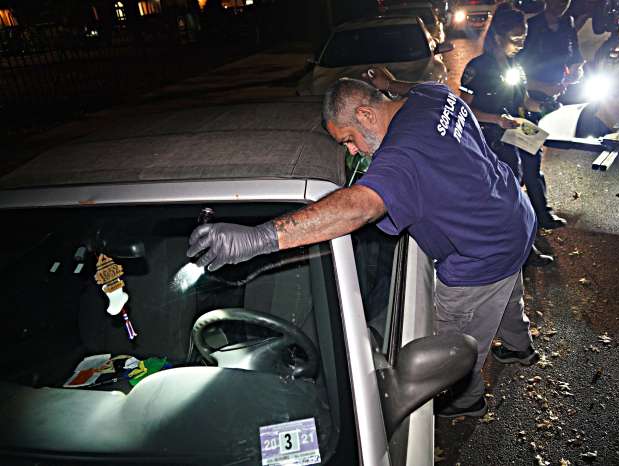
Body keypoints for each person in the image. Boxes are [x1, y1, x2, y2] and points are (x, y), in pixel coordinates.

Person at [187, 76, 540, 418]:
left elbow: (359, 206)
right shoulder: (432, 96)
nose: (353, 150)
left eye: (349, 139)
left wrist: (258, 238)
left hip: (479, 258)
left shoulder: (403, 157)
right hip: (514, 217)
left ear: (366, 115)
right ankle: (520, 346)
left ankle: (467, 399)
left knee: (454, 341)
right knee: (506, 293)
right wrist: (389, 84)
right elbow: (413, 86)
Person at [461, 3, 566, 231]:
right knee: (510, 183)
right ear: (498, 38)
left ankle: (541, 215)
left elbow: (524, 99)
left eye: (523, 38)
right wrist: (497, 119)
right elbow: (464, 108)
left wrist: (549, 107)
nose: (521, 44)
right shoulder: (477, 68)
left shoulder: (515, 64)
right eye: (516, 39)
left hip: (515, 125)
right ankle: (517, 235)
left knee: (533, 164)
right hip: (491, 133)